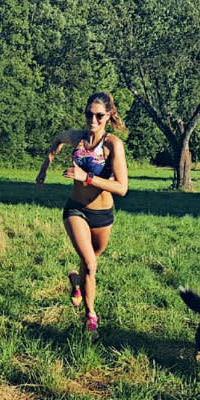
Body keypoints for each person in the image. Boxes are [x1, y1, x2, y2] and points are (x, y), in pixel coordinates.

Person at [35, 91, 128, 335]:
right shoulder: (76, 137)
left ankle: (77, 282)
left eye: (99, 115)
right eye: (89, 114)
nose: (93, 120)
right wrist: (44, 168)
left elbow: (122, 187)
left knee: (90, 265)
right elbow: (57, 140)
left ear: (108, 116)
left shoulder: (112, 145)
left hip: (103, 214)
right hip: (75, 209)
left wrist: (87, 177)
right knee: (89, 262)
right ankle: (91, 317)